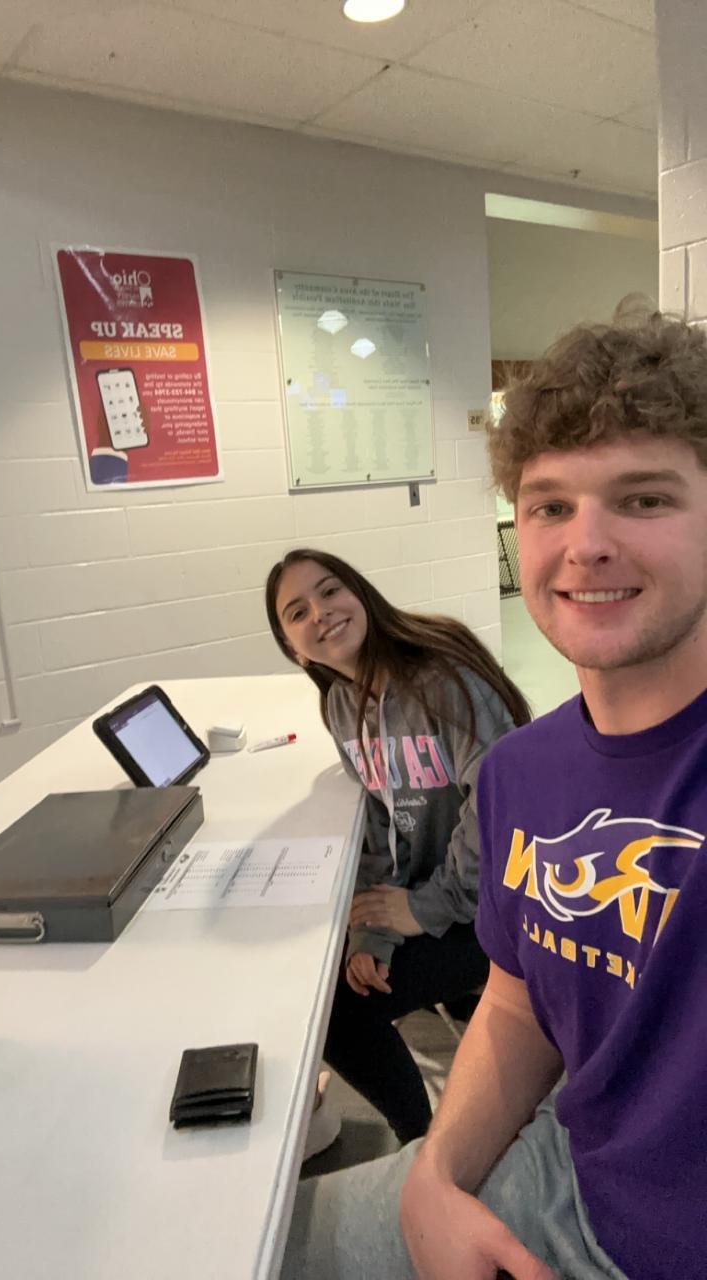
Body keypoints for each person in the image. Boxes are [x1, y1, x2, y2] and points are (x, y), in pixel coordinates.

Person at [279, 311, 707, 1280]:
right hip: (565, 1160)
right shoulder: (522, 771)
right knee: (237, 1242)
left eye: (643, 498)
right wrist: (436, 1174)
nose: (585, 544)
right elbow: (516, 1004)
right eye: (550, 506)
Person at [265, 549, 531, 1147]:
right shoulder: (341, 703)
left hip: (506, 905)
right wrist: (374, 931)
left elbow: (503, 805)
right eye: (298, 612)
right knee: (336, 970)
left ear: (360, 593)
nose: (320, 613)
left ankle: (420, 1145)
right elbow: (381, 818)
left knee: (334, 1014)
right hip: (444, 899)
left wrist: (423, 909)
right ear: (292, 647)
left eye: (330, 591)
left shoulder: (441, 678)